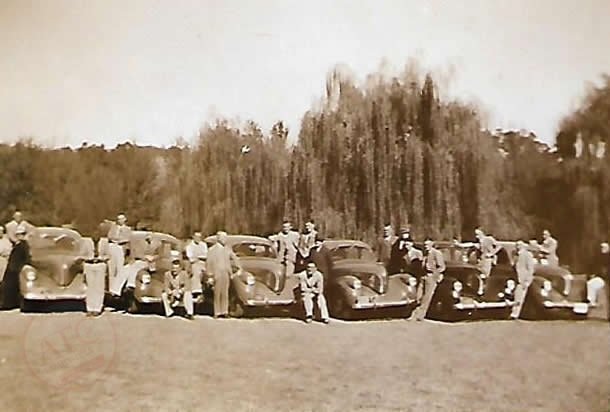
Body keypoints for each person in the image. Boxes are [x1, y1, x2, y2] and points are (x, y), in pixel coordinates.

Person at [110, 232, 160, 305]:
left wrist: (152, 257)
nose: (149, 237)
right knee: (125, 269)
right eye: (147, 236)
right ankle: (116, 290)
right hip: (139, 261)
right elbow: (137, 254)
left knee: (135, 269)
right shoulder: (141, 244)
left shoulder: (158, 245)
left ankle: (131, 284)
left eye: (151, 235)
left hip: (150, 263)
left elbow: (161, 255)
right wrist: (144, 257)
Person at [206, 231, 241, 318]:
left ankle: (224, 311)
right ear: (218, 238)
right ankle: (217, 312)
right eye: (223, 238)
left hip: (226, 273)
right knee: (217, 293)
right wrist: (210, 276)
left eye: (226, 238)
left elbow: (235, 258)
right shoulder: (212, 250)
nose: (225, 240)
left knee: (225, 293)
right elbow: (208, 263)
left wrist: (238, 268)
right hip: (216, 273)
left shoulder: (227, 249)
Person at [410, 239, 445, 321]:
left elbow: (442, 267)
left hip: (431, 276)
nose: (425, 246)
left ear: (432, 244)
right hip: (423, 276)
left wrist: (435, 273)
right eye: (424, 244)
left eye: (427, 244)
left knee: (426, 297)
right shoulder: (424, 253)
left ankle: (420, 316)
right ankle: (414, 313)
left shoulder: (436, 253)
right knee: (418, 296)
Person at [1, 226, 31, 309]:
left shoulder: (23, 245)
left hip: (15, 269)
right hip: (13, 268)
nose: (18, 236)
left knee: (11, 287)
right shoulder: (20, 245)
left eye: (20, 234)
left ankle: (8, 304)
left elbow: (26, 258)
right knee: (9, 286)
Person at [161, 254, 194, 319]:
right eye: (173, 268)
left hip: (181, 293)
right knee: (164, 294)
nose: (174, 270)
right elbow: (165, 286)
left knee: (188, 293)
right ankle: (169, 312)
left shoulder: (184, 274)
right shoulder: (167, 274)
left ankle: (189, 313)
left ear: (180, 268)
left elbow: (187, 286)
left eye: (176, 268)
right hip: (172, 294)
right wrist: (170, 292)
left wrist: (180, 291)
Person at [510, 240, 536, 319]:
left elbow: (530, 269)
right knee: (517, 296)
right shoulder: (515, 255)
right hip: (516, 279)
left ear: (523, 246)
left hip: (523, 279)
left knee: (520, 297)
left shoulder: (527, 255)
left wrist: (528, 280)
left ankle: (515, 314)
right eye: (517, 245)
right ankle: (514, 312)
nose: (518, 247)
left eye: (520, 245)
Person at [474, 228, 501, 295]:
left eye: (478, 234)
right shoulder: (479, 242)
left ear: (482, 233)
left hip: (487, 260)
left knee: (485, 276)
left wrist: (492, 253)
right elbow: (472, 245)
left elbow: (499, 246)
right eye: (476, 234)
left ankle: (484, 291)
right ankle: (480, 290)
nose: (476, 236)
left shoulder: (489, 239)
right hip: (481, 260)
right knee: (479, 274)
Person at [106, 214, 132, 280]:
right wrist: (116, 239)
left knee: (120, 266)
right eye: (119, 219)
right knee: (111, 265)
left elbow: (127, 239)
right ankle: (111, 283)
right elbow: (110, 236)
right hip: (112, 246)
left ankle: (118, 283)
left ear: (125, 220)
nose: (120, 221)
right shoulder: (113, 227)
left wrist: (119, 239)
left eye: (122, 219)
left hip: (120, 247)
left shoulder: (128, 229)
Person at [185, 231, 208, 296]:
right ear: (194, 237)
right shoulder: (189, 246)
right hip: (194, 264)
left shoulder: (203, 245)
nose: (198, 238)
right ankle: (196, 290)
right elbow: (191, 257)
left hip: (203, 263)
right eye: (197, 237)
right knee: (196, 270)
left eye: (199, 237)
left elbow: (205, 255)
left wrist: (197, 256)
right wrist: (199, 257)